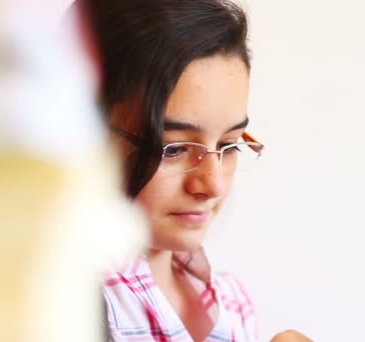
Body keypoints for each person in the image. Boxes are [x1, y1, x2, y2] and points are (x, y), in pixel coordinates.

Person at [77, 0, 313, 341]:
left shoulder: (234, 303)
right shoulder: (61, 302)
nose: (212, 184)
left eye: (229, 145)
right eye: (173, 149)